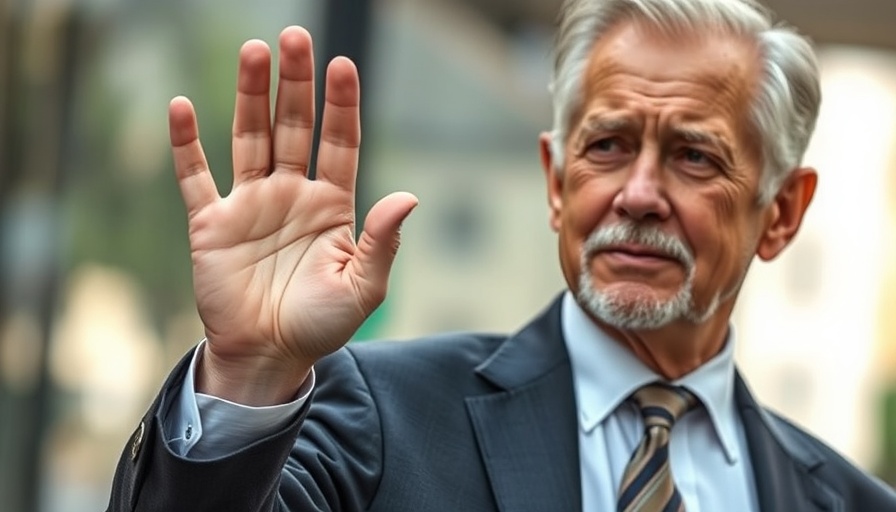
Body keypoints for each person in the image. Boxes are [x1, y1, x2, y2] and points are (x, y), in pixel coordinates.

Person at [107, 0, 896, 510]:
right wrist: (247, 372)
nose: (639, 193)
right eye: (609, 146)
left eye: (694, 156)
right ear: (556, 181)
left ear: (782, 213)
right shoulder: (378, 420)